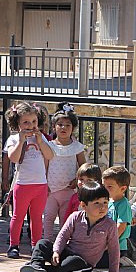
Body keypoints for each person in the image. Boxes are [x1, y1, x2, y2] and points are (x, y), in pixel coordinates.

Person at [19, 181, 121, 272]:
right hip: (65, 253)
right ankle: (36, 265)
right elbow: (63, 236)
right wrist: (56, 252)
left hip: (82, 262)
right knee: (43, 243)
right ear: (83, 205)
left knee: (73, 264)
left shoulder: (110, 225)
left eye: (105, 202)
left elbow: (114, 249)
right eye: (96, 203)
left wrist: (113, 270)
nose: (102, 207)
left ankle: (44, 270)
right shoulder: (75, 217)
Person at [4, 102, 54, 258]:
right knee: (17, 216)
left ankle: (36, 246)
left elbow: (50, 155)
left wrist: (40, 141)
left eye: (34, 121)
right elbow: (13, 158)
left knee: (37, 217)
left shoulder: (42, 139)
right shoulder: (13, 139)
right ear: (17, 123)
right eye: (26, 122)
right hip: (23, 184)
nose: (31, 125)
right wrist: (21, 141)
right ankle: (14, 245)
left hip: (40, 185)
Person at [43, 102, 85, 241]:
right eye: (60, 124)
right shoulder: (49, 146)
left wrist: (77, 180)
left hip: (68, 190)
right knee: (48, 217)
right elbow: (45, 166)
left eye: (68, 125)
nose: (63, 128)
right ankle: (47, 242)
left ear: (73, 128)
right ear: (54, 127)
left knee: (64, 219)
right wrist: (45, 184)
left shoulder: (77, 147)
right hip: (51, 190)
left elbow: (83, 167)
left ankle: (61, 243)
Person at [102, 166, 134, 267]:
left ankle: (121, 260)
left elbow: (121, 226)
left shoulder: (123, 204)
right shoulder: (109, 202)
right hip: (105, 242)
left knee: (102, 263)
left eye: (109, 187)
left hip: (117, 245)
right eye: (104, 186)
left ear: (123, 188)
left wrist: (110, 242)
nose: (105, 189)